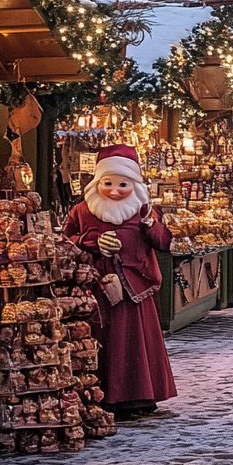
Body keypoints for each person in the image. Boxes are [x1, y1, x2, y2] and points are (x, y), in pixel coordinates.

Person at [62, 144, 177, 418]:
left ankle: (139, 397)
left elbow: (164, 243)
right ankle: (104, 397)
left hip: (135, 287)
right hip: (98, 287)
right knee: (105, 340)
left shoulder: (144, 210)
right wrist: (92, 242)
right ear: (97, 182)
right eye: (108, 183)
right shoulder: (83, 210)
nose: (114, 191)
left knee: (135, 340)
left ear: (133, 183)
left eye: (122, 184)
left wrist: (152, 226)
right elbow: (65, 241)